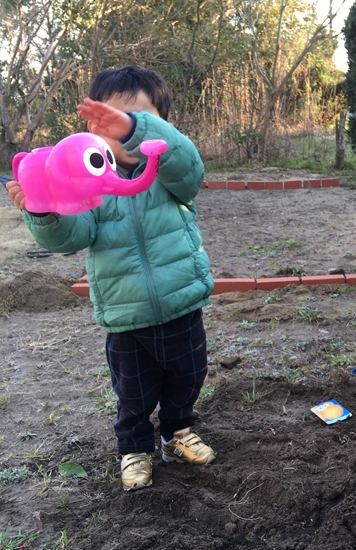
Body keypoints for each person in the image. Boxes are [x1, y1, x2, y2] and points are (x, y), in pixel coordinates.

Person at [7, 66, 216, 492]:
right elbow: (73, 235)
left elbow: (190, 167)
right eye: (116, 124)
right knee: (134, 393)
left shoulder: (172, 179)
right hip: (126, 315)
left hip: (181, 304)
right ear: (95, 132)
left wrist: (139, 131)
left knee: (188, 375)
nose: (128, 137)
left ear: (163, 126)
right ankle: (134, 448)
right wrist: (43, 211)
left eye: (140, 122)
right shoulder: (90, 186)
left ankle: (176, 431)